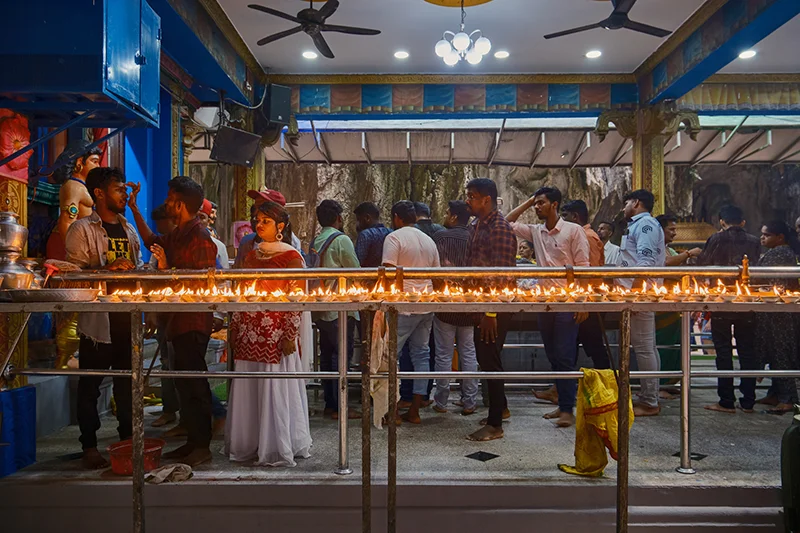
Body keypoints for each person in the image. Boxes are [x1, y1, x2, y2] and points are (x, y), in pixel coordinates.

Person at [128, 176, 218, 467]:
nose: (166, 202)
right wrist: (135, 210)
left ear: (179, 203)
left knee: (194, 383)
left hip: (192, 321)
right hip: (176, 320)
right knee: (183, 383)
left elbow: (200, 285)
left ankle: (202, 445)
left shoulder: (200, 237)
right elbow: (153, 241)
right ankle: (193, 440)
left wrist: (170, 271)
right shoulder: (179, 233)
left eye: (169, 198)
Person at [64, 167, 142, 469]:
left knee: (128, 386)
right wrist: (107, 271)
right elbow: (73, 275)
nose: (124, 194)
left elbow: (136, 268)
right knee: (91, 386)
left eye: (124, 189)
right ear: (99, 193)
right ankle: (89, 447)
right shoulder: (81, 229)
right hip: (98, 320)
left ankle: (128, 444)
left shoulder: (129, 228)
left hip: (127, 317)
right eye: (118, 189)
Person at [225, 201, 312, 465]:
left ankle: (275, 445)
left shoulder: (292, 257)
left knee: (274, 385)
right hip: (250, 330)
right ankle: (250, 442)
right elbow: (241, 292)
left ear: (281, 227)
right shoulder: (252, 255)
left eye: (266, 221)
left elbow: (297, 297)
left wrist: (289, 333)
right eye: (257, 220)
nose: (259, 225)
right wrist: (235, 324)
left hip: (275, 332)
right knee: (250, 387)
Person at [507, 188, 590, 428]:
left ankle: (567, 409)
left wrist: (582, 301)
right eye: (536, 204)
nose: (537, 207)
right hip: (545, 305)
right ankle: (563, 403)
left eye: (541, 203)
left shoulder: (573, 231)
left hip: (567, 302)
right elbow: (507, 222)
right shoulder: (536, 231)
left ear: (555, 204)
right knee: (553, 355)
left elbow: (583, 267)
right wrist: (527, 201)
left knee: (564, 355)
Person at [463, 178, 517, 441]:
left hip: (492, 309)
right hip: (480, 304)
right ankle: (501, 408)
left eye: (472, 196)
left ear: (487, 199)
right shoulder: (477, 225)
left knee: (490, 361)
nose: (468, 201)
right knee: (488, 359)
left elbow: (502, 274)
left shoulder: (500, 228)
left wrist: (491, 312)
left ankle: (495, 424)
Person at [694, 205, 761, 414]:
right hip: (746, 302)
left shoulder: (716, 239)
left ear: (722, 221)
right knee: (746, 351)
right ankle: (749, 401)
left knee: (723, 351)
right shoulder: (754, 241)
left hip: (721, 300)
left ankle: (726, 401)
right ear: (742, 222)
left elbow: (704, 264)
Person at [382, 200, 440, 424]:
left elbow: (388, 272)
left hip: (402, 306)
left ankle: (393, 411)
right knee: (421, 354)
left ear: (397, 217)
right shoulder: (428, 241)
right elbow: (436, 275)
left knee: (390, 357)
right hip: (426, 304)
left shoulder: (394, 238)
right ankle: (415, 409)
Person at [47, 141, 104, 369]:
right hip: (68, 250)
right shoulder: (73, 186)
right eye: (94, 161)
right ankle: (64, 356)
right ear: (79, 163)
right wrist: (72, 257)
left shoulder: (84, 187)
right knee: (70, 306)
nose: (98, 166)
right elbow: (67, 221)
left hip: (79, 251)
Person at [312, 199, 361, 420]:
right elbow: (356, 271)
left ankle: (330, 404)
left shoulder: (316, 240)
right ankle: (340, 406)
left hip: (322, 306)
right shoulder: (341, 240)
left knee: (327, 356)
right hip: (341, 307)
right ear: (339, 219)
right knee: (341, 357)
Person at [619, 189, 665, 417]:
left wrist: (635, 293)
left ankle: (650, 401)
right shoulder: (639, 225)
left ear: (636, 202)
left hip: (640, 294)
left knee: (644, 346)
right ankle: (649, 394)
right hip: (639, 292)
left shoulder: (645, 225)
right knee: (645, 346)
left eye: (626, 202)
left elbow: (645, 262)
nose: (623, 207)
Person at [431, 200, 478, 416]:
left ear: (452, 217)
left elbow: (434, 268)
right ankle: (469, 401)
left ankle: (441, 401)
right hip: (469, 304)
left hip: (445, 304)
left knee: (443, 354)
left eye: (447, 212)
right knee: (468, 352)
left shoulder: (440, 237)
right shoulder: (474, 237)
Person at [754, 220, 800, 413]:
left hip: (778, 312)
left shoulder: (779, 253)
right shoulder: (781, 252)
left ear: (780, 237)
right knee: (774, 352)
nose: (762, 238)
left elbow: (775, 283)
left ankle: (788, 398)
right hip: (775, 310)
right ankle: (775, 393)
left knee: (781, 352)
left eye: (767, 235)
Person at [561, 200, 610, 371]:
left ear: (575, 217)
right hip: (583, 298)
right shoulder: (581, 235)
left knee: (593, 345)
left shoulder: (587, 236)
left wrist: (584, 303)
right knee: (572, 344)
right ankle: (560, 386)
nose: (562, 222)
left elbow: (590, 272)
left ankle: (608, 387)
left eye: (564, 217)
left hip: (589, 300)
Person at [234, 189, 301, 267]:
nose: (256, 211)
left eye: (265, 221)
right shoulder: (248, 245)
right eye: (255, 207)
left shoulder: (292, 253)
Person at [354, 202, 392, 268]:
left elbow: (357, 262)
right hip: (386, 275)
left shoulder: (365, 235)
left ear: (367, 218)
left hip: (368, 275)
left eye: (359, 220)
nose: (357, 224)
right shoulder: (390, 232)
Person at [199, 199, 230, 269]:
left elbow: (224, 276)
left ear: (207, 220)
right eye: (195, 217)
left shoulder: (219, 246)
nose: (197, 222)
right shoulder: (177, 241)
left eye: (201, 217)